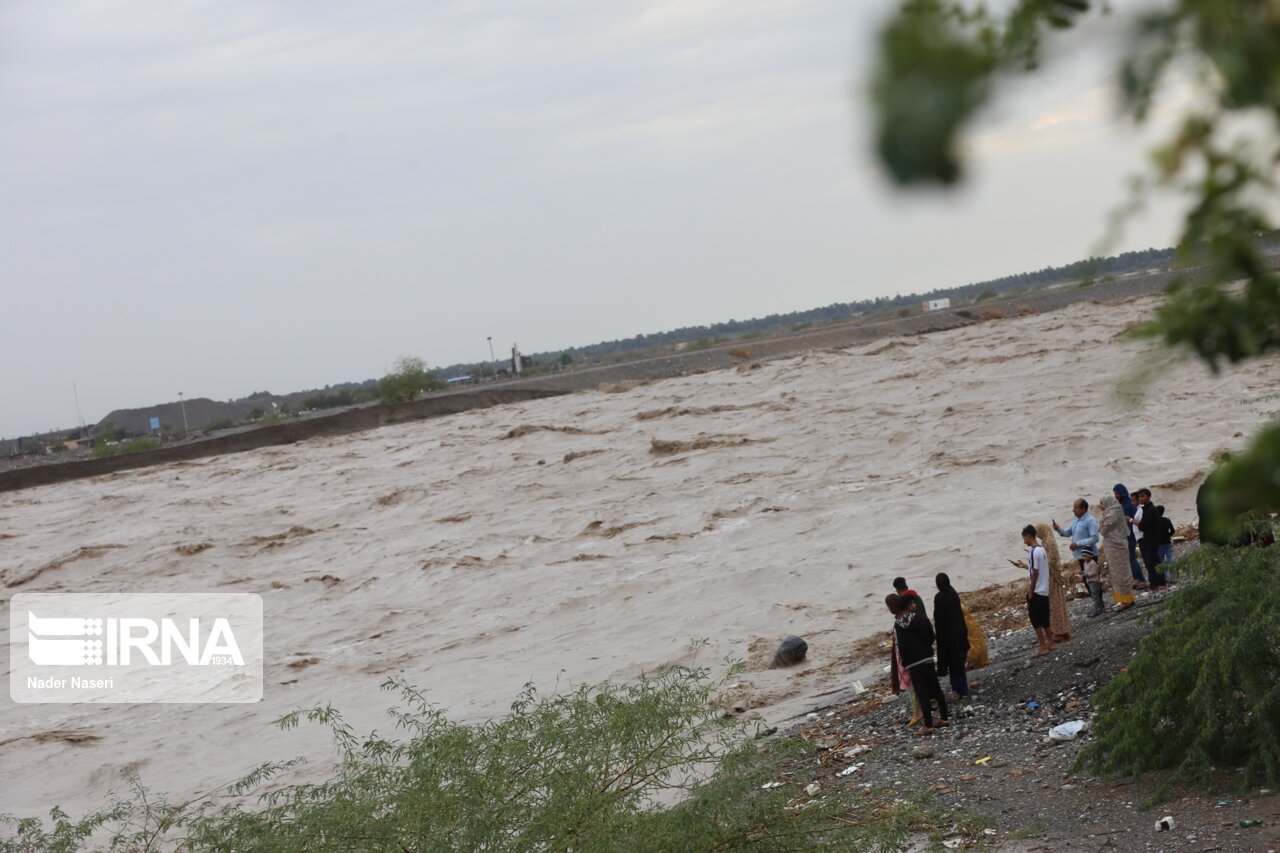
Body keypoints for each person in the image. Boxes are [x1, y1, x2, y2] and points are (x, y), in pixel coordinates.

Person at [891, 593, 950, 733]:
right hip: (927, 658)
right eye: (912, 603)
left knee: (922, 693)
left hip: (913, 663)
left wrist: (906, 661)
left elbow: (900, 647)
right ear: (908, 606)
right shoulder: (922, 618)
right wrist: (926, 650)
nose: (915, 605)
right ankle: (944, 718)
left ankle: (928, 725)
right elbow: (931, 636)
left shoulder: (898, 624)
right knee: (936, 689)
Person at [1012, 524, 1055, 657]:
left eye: (1024, 538)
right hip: (1044, 590)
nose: (1024, 541)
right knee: (1045, 618)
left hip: (1036, 590)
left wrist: (1031, 590)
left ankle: (1043, 646)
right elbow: (1036, 569)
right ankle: (1051, 642)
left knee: (1035, 620)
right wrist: (1024, 566)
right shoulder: (1041, 550)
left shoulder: (1032, 552)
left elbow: (1035, 573)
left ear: (1028, 536)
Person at [1053, 499, 1101, 606]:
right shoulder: (1076, 520)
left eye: (1076, 508)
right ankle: (1096, 602)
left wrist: (1078, 544)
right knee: (1086, 580)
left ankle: (1099, 604)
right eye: (1073, 508)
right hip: (1080, 556)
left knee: (1093, 581)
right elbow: (1068, 532)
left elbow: (1095, 538)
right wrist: (1059, 529)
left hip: (1090, 555)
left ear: (1083, 509)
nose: (1073, 510)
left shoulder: (1090, 521)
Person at [885, 594, 922, 726]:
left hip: (905, 658)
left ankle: (917, 713)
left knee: (910, 686)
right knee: (915, 685)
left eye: (889, 606)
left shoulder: (900, 621)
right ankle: (920, 710)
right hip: (915, 656)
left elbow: (901, 644)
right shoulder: (909, 616)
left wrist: (902, 660)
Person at [933, 573, 971, 697]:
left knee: (952, 662)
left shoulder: (939, 598)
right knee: (959, 660)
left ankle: (957, 690)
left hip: (947, 634)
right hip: (959, 630)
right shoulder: (953, 593)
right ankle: (962, 688)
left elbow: (938, 618)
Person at [1096, 495, 1136, 611]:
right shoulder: (1113, 511)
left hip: (1116, 547)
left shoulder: (1112, 514)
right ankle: (1124, 599)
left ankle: (1126, 600)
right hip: (1114, 546)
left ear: (1108, 503)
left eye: (1102, 503)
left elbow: (1102, 530)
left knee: (1120, 573)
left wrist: (1102, 517)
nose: (1100, 506)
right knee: (1117, 573)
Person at [1035, 522, 1072, 640]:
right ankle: (1064, 631)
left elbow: (1051, 560)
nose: (1037, 536)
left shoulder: (1048, 542)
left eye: (1038, 533)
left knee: (1053, 604)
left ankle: (1058, 633)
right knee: (1058, 603)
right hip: (1054, 575)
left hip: (1052, 576)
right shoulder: (1048, 540)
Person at [1113, 484, 1148, 588]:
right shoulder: (1120, 505)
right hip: (1123, 535)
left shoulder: (1129, 504)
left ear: (1122, 493)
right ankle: (1136, 579)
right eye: (1114, 494)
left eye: (1117, 493)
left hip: (1131, 535)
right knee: (1128, 559)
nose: (1116, 496)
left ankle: (1142, 579)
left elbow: (1134, 518)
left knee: (1131, 558)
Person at [1134, 489, 1169, 589]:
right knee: (1154, 560)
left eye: (1142, 496)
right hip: (1150, 538)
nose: (1140, 498)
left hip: (1151, 539)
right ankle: (1160, 583)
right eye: (1139, 497)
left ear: (1148, 497)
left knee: (1151, 562)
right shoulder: (1147, 509)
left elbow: (1143, 526)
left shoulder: (1150, 510)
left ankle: (1156, 584)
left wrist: (1132, 521)